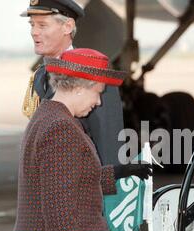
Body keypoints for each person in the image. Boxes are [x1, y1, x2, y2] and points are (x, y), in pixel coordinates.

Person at [11, 48, 152, 231]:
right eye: (97, 93)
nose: (98, 102)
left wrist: (121, 172)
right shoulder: (60, 128)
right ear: (79, 87)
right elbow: (57, 202)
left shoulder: (48, 116)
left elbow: (70, 180)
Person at [21, 0, 124, 166]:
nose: (34, 32)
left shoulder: (94, 76)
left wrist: (111, 185)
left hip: (82, 186)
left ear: (67, 27)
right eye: (32, 25)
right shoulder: (40, 76)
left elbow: (109, 146)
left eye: (42, 25)